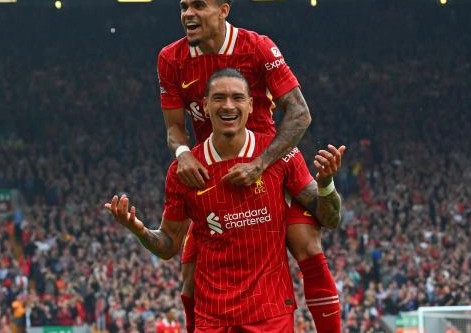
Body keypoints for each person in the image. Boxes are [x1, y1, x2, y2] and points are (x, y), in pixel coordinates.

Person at [157, 0, 341, 332]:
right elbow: (174, 128)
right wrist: (183, 154)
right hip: (213, 169)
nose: (188, 14)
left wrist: (260, 164)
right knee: (190, 278)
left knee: (306, 244)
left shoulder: (256, 47)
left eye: (198, 6)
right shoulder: (171, 58)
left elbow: (299, 113)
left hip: (271, 158)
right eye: (183, 7)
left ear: (223, 10)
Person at [106, 68, 345, 331]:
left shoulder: (280, 155)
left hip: (270, 315)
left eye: (237, 97)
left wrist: (325, 184)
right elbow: (168, 245)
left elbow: (330, 219)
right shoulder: (183, 171)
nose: (228, 105)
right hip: (213, 318)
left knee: (309, 246)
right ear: (205, 106)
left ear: (251, 105)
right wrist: (139, 230)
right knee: (188, 279)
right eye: (219, 98)